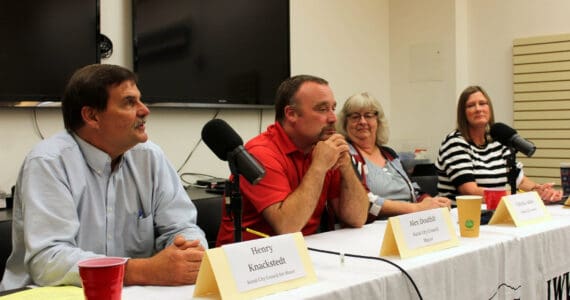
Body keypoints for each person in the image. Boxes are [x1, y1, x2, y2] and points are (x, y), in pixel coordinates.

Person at [0, 64, 207, 291]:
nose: (145, 110)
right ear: (92, 116)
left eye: (140, 100)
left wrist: (189, 252)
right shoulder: (48, 162)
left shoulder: (149, 157)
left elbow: (182, 226)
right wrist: (145, 270)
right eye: (129, 102)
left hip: (134, 293)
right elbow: (48, 260)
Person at [216, 75, 369, 245]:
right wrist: (318, 167)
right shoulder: (260, 153)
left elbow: (357, 218)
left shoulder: (323, 147)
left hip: (302, 253)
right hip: (254, 262)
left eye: (333, 108)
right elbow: (287, 226)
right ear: (292, 114)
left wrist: (346, 165)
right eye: (322, 109)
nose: (333, 118)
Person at [435, 85, 562, 202]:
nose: (478, 109)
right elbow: (470, 191)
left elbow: (519, 180)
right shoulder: (455, 143)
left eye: (483, 103)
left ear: (489, 108)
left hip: (493, 213)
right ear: (463, 113)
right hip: (461, 217)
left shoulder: (497, 141)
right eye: (471, 105)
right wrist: (516, 197)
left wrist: (538, 190)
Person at [337, 92, 451, 219]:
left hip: (411, 223)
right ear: (345, 123)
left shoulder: (388, 153)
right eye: (355, 116)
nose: (362, 121)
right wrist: (416, 208)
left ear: (378, 122)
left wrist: (433, 203)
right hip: (374, 229)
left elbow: (415, 191)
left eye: (368, 115)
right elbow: (365, 202)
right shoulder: (346, 155)